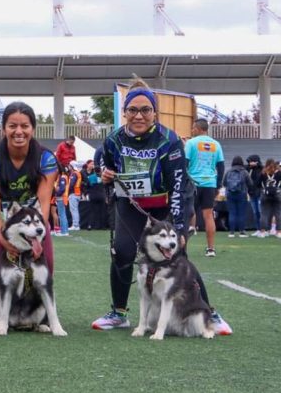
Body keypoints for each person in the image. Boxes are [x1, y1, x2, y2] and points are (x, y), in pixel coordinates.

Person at [91, 76, 231, 335]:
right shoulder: (113, 140)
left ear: (154, 112)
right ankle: (119, 313)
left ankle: (208, 312)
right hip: (130, 205)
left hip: (164, 206)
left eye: (145, 110)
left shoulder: (170, 141)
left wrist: (179, 228)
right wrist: (105, 174)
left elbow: (178, 186)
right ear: (125, 112)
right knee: (121, 252)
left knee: (178, 255)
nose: (139, 116)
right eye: (133, 110)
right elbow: (105, 164)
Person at [0, 102, 58, 305]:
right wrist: (3, 237)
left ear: (33, 129)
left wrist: (39, 233)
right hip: (2, 215)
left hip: (33, 217)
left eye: (25, 126)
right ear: (4, 128)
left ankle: (39, 312)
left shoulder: (45, 159)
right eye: (12, 126)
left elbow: (44, 202)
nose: (19, 131)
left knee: (45, 259)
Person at [185, 118, 225, 257]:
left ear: (198, 128)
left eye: (193, 128)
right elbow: (221, 167)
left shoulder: (191, 143)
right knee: (208, 216)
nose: (191, 130)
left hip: (193, 184)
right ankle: (210, 249)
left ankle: (182, 248)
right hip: (210, 184)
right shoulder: (216, 144)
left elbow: (185, 163)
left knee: (187, 214)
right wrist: (218, 185)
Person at [223, 156, 252, 238]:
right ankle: (242, 232)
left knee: (232, 213)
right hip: (242, 194)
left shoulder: (228, 171)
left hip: (230, 194)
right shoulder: (244, 172)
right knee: (241, 213)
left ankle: (231, 232)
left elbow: (224, 183)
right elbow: (250, 183)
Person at [257, 159, 281, 238]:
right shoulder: (279, 173)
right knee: (278, 213)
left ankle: (263, 232)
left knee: (264, 213)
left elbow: (257, 184)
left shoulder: (263, 173)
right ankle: (278, 232)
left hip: (265, 195)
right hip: (277, 195)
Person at [246, 154, 263, 235]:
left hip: (260, 193)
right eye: (249, 162)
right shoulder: (249, 169)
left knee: (260, 211)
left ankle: (263, 229)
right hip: (252, 193)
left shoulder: (261, 169)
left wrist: (257, 165)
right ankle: (258, 229)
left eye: (251, 161)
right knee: (255, 212)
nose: (250, 163)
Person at [54, 165, 70, 237]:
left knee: (62, 215)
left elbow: (62, 189)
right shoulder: (63, 177)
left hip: (61, 197)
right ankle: (65, 230)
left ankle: (64, 231)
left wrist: (57, 192)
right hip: (63, 197)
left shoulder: (62, 178)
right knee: (63, 214)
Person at [67, 162, 83, 231]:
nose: (68, 167)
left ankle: (75, 225)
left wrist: (66, 188)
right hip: (77, 193)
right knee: (74, 209)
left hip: (74, 193)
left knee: (74, 210)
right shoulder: (77, 173)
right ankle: (76, 225)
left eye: (69, 166)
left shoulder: (74, 174)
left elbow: (71, 184)